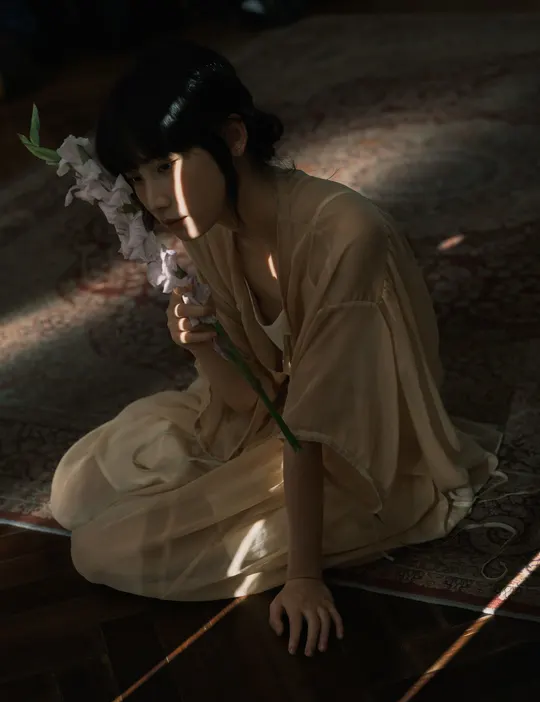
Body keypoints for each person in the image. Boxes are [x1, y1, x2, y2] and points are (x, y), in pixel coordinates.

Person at [50, 41, 500, 657]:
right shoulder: (206, 223)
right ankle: (195, 496)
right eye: (136, 177)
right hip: (270, 418)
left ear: (233, 137)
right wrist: (203, 348)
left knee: (101, 551)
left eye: (165, 166)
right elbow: (250, 397)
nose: (153, 198)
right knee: (76, 486)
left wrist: (304, 576)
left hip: (352, 450)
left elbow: (312, 426)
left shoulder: (346, 234)